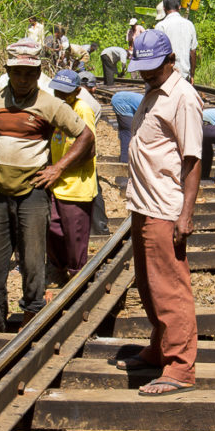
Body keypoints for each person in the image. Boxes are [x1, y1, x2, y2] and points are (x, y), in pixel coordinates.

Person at [0, 40, 93, 331]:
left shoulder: (50, 104)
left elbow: (85, 136)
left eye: (29, 74)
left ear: (38, 74)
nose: (23, 80)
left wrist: (58, 168)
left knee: (33, 260)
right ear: (8, 71)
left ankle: (31, 317)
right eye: (17, 73)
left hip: (33, 192)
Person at [117, 29, 203, 396]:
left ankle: (180, 366)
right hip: (143, 202)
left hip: (165, 207)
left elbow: (193, 158)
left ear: (172, 61)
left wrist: (185, 215)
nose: (145, 75)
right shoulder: (155, 91)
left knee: (170, 288)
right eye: (143, 69)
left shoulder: (183, 97)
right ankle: (159, 346)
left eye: (153, 68)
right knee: (148, 284)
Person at [45, 70, 98, 280]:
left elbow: (89, 149)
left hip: (77, 185)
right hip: (57, 183)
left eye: (65, 92)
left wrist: (60, 167)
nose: (60, 95)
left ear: (77, 91)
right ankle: (58, 270)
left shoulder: (82, 110)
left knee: (75, 238)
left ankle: (77, 279)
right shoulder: (57, 108)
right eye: (57, 90)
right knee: (53, 228)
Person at [77, 71, 108, 235]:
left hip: (68, 148)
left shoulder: (63, 94)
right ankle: (100, 228)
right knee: (93, 187)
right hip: (85, 150)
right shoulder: (95, 105)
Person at [154, 0, 198, 83]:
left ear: (164, 8)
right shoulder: (189, 25)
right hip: (184, 75)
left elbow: (157, 53)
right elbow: (193, 52)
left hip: (166, 76)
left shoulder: (160, 26)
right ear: (179, 7)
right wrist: (192, 74)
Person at [111, 91, 144, 163]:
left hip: (121, 99)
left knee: (126, 132)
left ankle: (127, 158)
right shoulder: (152, 107)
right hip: (121, 102)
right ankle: (125, 162)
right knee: (127, 132)